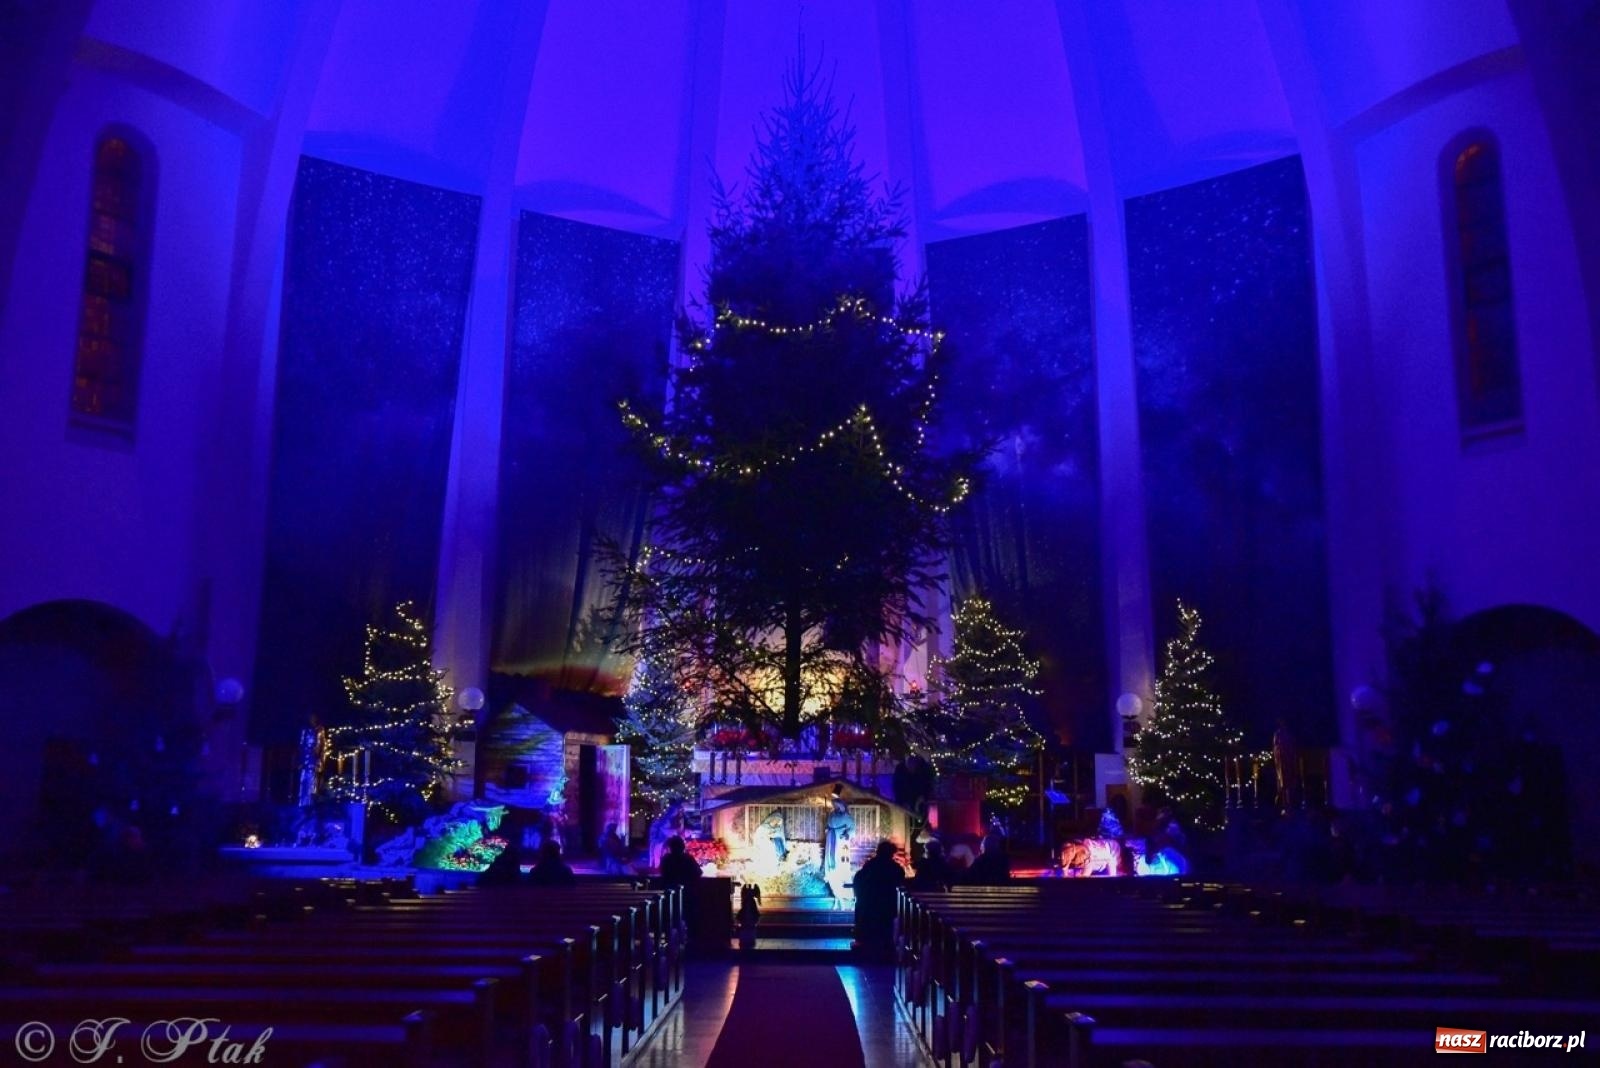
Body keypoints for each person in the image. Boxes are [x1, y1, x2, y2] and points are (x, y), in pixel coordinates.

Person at [852, 840, 906, 952]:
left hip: (869, 904)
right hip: (888, 905)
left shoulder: (870, 865)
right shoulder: (895, 868)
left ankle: (864, 941)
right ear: (891, 853)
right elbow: (900, 884)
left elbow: (858, 880)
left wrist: (860, 895)